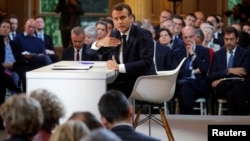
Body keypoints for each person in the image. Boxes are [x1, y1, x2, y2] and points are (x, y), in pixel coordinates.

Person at [89, 3, 156, 98]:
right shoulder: (114, 34)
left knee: (106, 91)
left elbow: (146, 62)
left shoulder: (144, 35)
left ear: (131, 18)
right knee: (96, 87)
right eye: (116, 19)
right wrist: (100, 43)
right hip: (121, 79)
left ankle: (115, 113)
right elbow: (90, 51)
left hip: (141, 80)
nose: (119, 22)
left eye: (122, 18)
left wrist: (118, 67)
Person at [208, 26, 250, 115]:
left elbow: (242, 73)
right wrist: (229, 70)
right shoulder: (217, 55)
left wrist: (221, 79)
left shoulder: (245, 53)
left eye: (231, 39)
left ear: (237, 39)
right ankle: (242, 118)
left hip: (239, 87)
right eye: (226, 39)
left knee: (231, 93)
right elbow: (211, 75)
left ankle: (231, 121)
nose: (229, 42)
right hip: (221, 89)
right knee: (235, 84)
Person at [171, 26, 210, 114]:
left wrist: (192, 54)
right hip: (182, 84)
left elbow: (204, 69)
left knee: (184, 89)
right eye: (185, 37)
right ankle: (190, 116)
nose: (188, 39)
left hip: (198, 85)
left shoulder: (204, 51)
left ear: (195, 36)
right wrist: (193, 71)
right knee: (184, 88)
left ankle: (186, 117)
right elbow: (175, 72)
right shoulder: (177, 53)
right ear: (182, 38)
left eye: (191, 37)